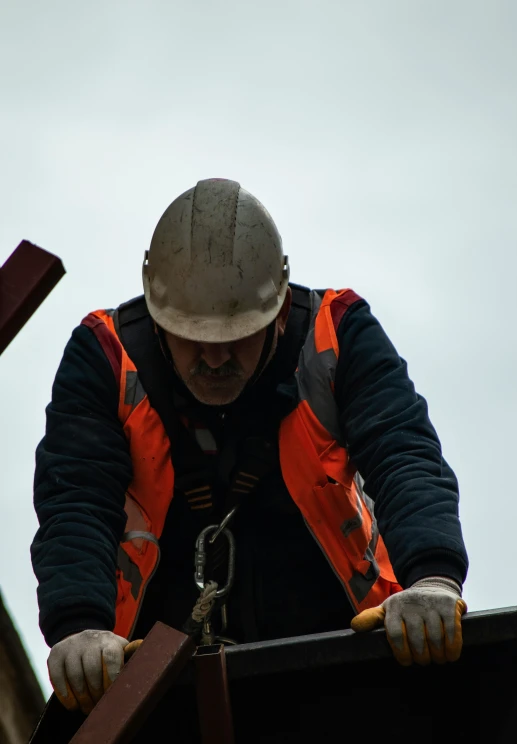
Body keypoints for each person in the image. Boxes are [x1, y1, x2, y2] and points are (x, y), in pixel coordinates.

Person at [31, 178, 468, 716]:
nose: (215, 361)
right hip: (156, 684)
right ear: (158, 314)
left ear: (279, 310)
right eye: (193, 339)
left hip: (346, 657)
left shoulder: (338, 333)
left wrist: (433, 577)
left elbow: (402, 452)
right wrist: (78, 626)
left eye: (236, 337)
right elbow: (76, 497)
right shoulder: (104, 355)